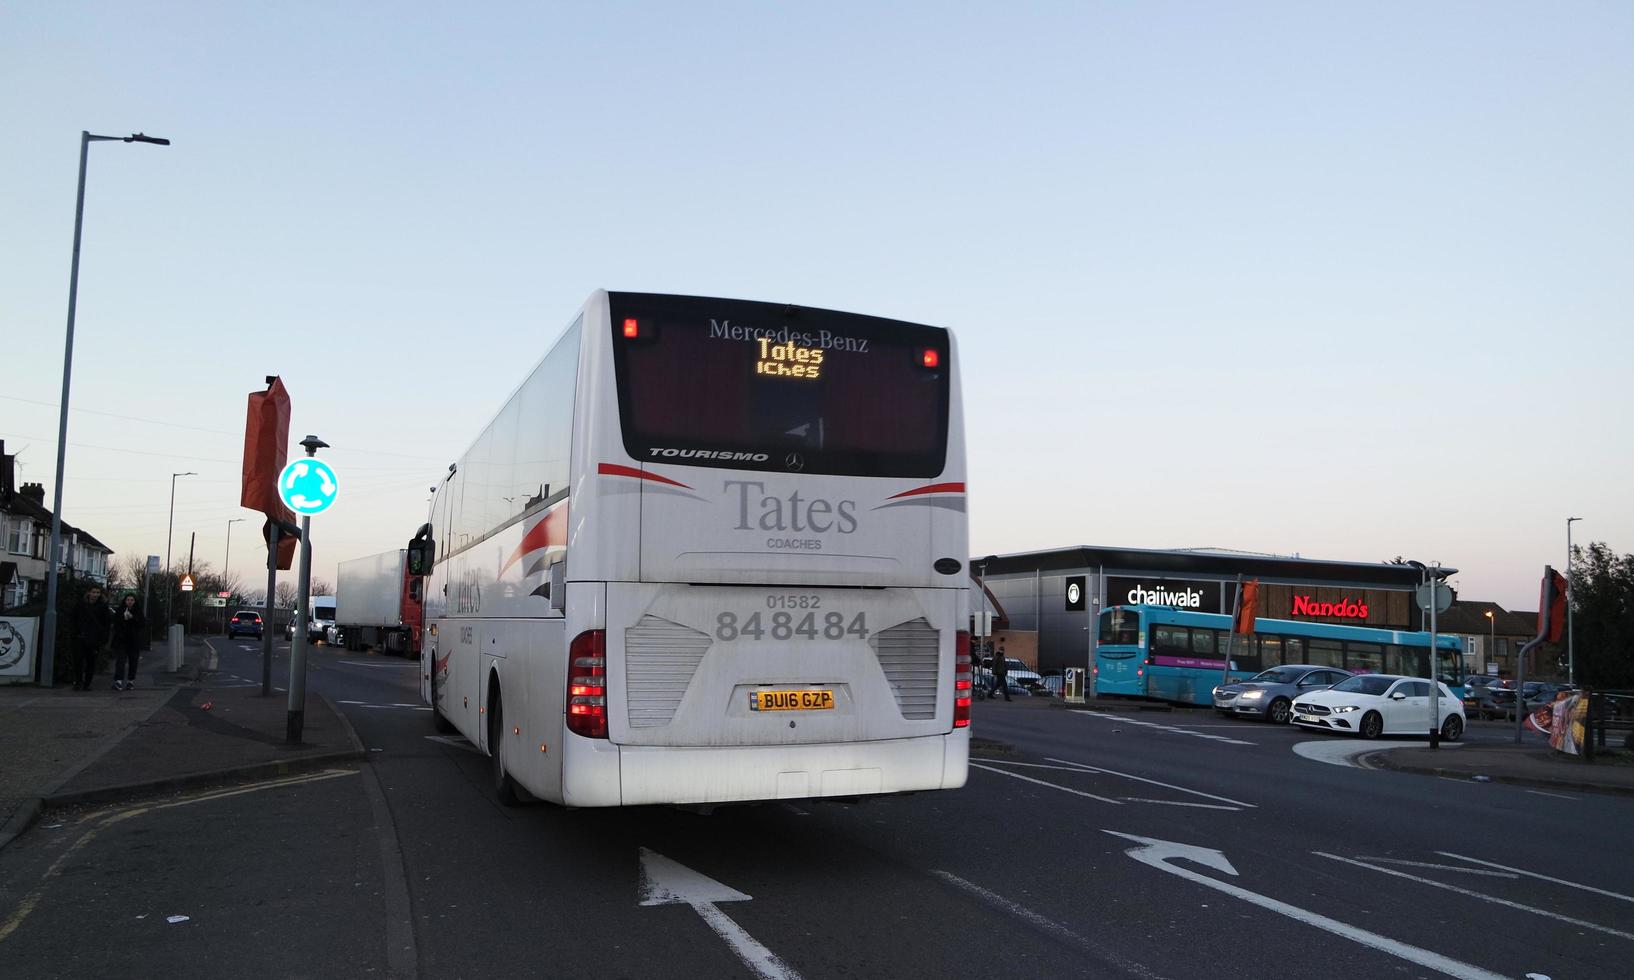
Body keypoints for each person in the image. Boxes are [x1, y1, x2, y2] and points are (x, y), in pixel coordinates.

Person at [70, 585, 113, 692]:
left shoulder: (103, 607)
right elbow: (73, 619)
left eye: (98, 592)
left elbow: (106, 624)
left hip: (94, 639)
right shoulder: (80, 605)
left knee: (91, 662)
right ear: (89, 593)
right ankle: (79, 681)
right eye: (93, 592)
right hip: (80, 637)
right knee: (78, 661)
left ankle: (87, 683)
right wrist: (75, 633)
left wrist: (103, 638)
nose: (95, 595)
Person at [110, 593, 146, 691]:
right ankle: (118, 681)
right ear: (125, 601)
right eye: (128, 600)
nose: (129, 602)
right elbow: (116, 624)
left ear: (135, 601)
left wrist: (132, 618)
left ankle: (130, 681)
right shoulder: (120, 610)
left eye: (132, 600)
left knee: (133, 661)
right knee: (120, 661)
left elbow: (142, 624)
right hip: (122, 640)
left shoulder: (138, 611)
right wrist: (124, 619)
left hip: (134, 641)